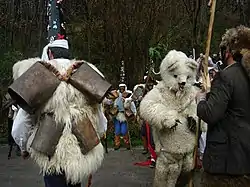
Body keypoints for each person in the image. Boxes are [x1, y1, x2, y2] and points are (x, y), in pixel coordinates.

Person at [196, 25, 250, 186]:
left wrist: (201, 100)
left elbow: (211, 113)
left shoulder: (227, 76)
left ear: (227, 51)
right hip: (245, 159)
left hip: (225, 164)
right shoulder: (245, 76)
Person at [113, 84, 136, 150]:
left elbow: (132, 104)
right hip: (117, 115)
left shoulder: (128, 95)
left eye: (123, 88)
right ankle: (117, 144)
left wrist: (134, 113)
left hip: (125, 115)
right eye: (120, 88)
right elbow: (111, 101)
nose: (121, 89)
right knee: (117, 131)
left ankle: (127, 143)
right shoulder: (116, 94)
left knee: (124, 130)